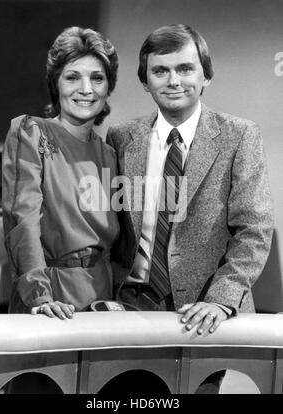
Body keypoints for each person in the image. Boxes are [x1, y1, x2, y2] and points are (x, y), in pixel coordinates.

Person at [107, 25, 273, 337]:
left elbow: (254, 231)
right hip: (128, 305)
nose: (173, 81)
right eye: (160, 71)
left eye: (185, 68)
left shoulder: (240, 136)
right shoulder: (121, 137)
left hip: (204, 312)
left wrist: (221, 301)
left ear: (205, 75)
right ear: (145, 81)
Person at [2, 26, 120, 320]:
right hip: (49, 297)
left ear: (108, 86)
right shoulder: (30, 134)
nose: (86, 89)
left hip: (103, 299)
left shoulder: (110, 154)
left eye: (97, 78)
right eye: (72, 77)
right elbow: (22, 220)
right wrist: (38, 294)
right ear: (56, 84)